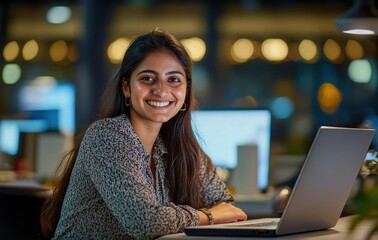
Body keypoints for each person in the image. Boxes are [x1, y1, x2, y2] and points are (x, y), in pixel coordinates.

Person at [40, 28, 247, 239]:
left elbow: (226, 206)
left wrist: (207, 214)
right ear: (126, 87)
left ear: (185, 91)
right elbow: (146, 222)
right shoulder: (107, 135)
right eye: (148, 78)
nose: (161, 90)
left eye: (174, 80)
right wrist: (208, 216)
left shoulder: (177, 145)